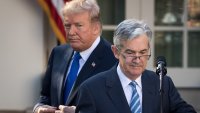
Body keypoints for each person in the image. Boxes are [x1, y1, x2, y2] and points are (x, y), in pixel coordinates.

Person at [75, 19, 197, 113]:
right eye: (130, 52)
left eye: (143, 52)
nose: (137, 60)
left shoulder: (163, 83)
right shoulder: (91, 89)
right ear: (115, 52)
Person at [33, 0, 117, 113]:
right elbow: (45, 96)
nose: (71, 32)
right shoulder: (58, 53)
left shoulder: (114, 59)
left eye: (79, 25)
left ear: (96, 28)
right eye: (67, 25)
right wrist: (38, 108)